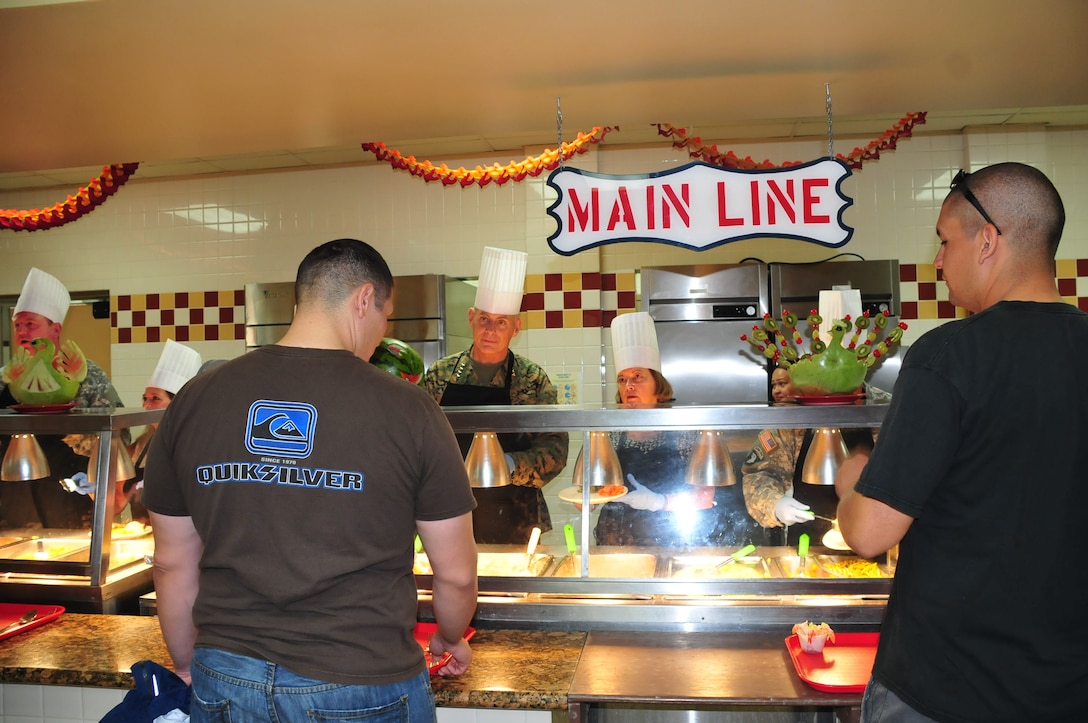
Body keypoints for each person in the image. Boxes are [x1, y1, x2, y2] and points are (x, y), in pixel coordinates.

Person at [143, 239, 478, 722]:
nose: (382, 334)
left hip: (225, 675)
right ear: (365, 299)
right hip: (361, 682)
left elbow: (173, 565)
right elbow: (457, 573)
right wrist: (449, 636)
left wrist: (188, 666)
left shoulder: (194, 400)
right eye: (385, 318)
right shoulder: (410, 409)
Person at [836, 163, 1088, 722]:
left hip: (942, 690)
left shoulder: (946, 355)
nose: (938, 261)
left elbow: (870, 534)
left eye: (946, 241)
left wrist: (852, 481)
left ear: (988, 241)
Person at [422, 246, 568, 545]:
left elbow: (556, 450)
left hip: (518, 517)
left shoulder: (532, 378)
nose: (491, 329)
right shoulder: (440, 373)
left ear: (516, 328)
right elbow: (416, 439)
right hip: (448, 513)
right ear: (471, 318)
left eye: (502, 322)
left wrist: (510, 465)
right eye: (484, 319)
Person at [593, 312, 761, 547]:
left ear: (658, 386)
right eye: (622, 379)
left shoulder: (684, 431)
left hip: (673, 537)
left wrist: (659, 501)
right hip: (616, 541)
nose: (629, 385)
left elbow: (705, 497)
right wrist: (587, 498)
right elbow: (591, 491)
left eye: (638, 377)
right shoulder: (609, 434)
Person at [0, 267, 125, 529]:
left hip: (72, 494)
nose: (22, 331)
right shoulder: (5, 377)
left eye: (31, 324)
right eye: (18, 325)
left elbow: (119, 436)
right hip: (12, 499)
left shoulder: (88, 375)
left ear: (55, 330)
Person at [743, 361, 876, 547]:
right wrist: (775, 504)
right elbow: (759, 474)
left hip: (877, 537)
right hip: (809, 544)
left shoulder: (883, 408)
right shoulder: (792, 420)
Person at [117, 339, 202, 523]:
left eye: (155, 398)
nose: (146, 405)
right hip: (143, 539)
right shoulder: (141, 446)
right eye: (145, 398)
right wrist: (97, 484)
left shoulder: (195, 445)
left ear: (177, 403)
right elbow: (117, 503)